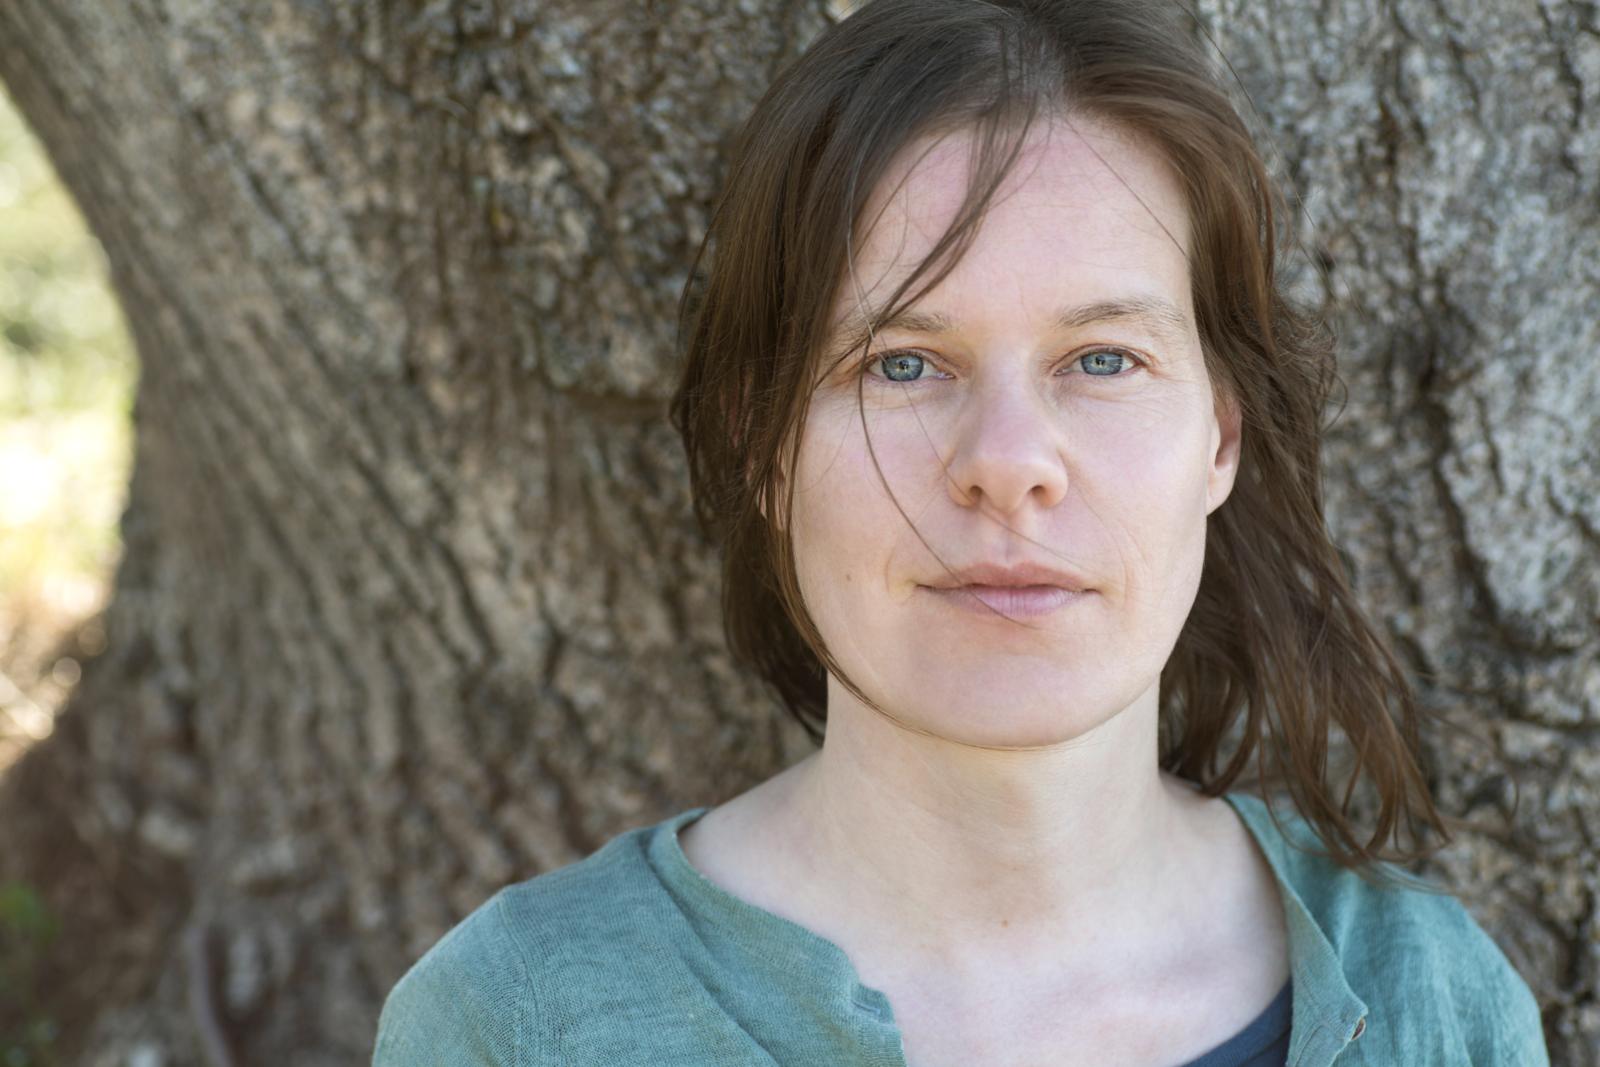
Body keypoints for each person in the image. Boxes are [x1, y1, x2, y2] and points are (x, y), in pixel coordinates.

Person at [372, 1, 1550, 1064]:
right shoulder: (519, 1022)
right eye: (902, 363)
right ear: (759, 443)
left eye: (1103, 358)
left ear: (1220, 437)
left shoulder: (1436, 1005)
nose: (1006, 462)